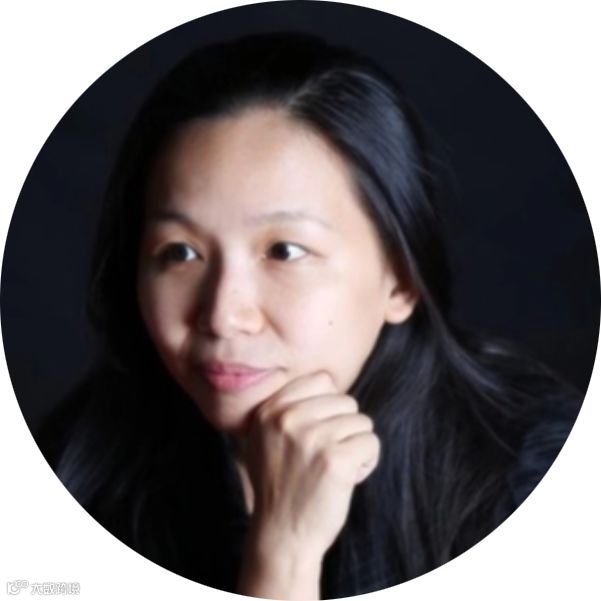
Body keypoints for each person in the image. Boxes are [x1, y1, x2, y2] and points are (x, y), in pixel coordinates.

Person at [36, 33, 583, 599]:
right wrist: (281, 556)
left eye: (284, 251)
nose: (223, 316)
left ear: (401, 280)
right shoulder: (77, 467)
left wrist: (288, 549)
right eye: (180, 253)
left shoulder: (536, 476)